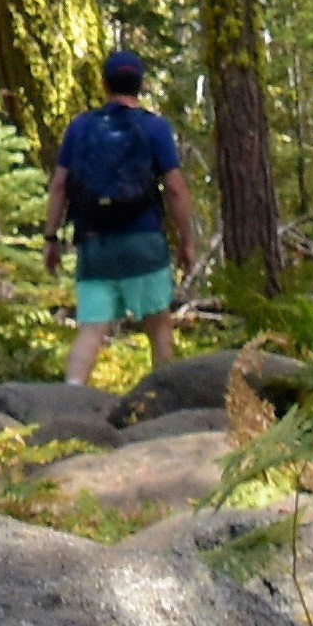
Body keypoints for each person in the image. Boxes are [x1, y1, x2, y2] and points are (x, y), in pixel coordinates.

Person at [53, 47, 198, 392]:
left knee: (92, 328)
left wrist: (50, 239)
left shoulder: (81, 127)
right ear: (141, 85)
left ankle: (70, 396)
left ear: (105, 85)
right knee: (159, 326)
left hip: (94, 242)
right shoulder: (155, 128)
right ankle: (163, 402)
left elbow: (60, 185)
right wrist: (187, 242)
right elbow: (175, 189)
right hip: (143, 240)